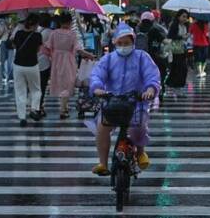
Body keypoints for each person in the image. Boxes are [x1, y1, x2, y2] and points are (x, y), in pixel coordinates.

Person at [90, 23, 160, 176]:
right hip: (112, 103)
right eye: (120, 43)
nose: (123, 46)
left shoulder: (142, 57)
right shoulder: (107, 59)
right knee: (102, 129)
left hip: (136, 103)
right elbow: (97, 75)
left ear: (133, 42)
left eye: (126, 43)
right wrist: (97, 87)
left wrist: (150, 89)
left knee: (139, 128)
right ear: (114, 42)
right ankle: (103, 162)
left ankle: (141, 152)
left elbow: (152, 75)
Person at [46, 12, 94, 119]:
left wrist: (52, 56)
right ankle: (63, 110)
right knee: (67, 85)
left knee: (60, 84)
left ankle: (65, 106)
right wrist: (89, 55)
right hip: (68, 61)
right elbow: (79, 50)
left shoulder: (53, 33)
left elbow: (48, 47)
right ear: (70, 22)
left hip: (56, 61)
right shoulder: (72, 34)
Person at [12, 14, 43, 127]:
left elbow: (14, 45)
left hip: (18, 65)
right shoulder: (37, 36)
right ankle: (34, 108)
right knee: (36, 89)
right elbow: (38, 50)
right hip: (32, 65)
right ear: (35, 25)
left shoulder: (18, 33)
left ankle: (22, 117)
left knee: (20, 91)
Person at [136, 12, 167, 99]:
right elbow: (164, 41)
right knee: (159, 72)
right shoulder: (154, 30)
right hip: (153, 56)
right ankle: (160, 89)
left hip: (139, 57)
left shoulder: (136, 29)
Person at [166, 9, 189, 97]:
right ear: (178, 16)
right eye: (183, 16)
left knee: (183, 70)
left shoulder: (185, 26)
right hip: (175, 50)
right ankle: (176, 88)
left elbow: (184, 37)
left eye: (186, 17)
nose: (185, 18)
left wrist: (186, 37)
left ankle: (175, 86)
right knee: (178, 69)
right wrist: (181, 37)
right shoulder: (174, 25)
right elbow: (170, 36)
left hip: (183, 50)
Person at [37, 13, 53, 116]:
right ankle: (40, 105)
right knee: (42, 86)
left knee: (36, 86)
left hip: (34, 61)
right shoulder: (51, 32)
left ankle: (36, 106)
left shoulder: (36, 30)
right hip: (45, 62)